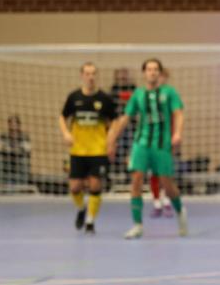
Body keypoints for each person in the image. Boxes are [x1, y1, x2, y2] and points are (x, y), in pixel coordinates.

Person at [107, 58, 187, 239]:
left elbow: (178, 113)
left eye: (155, 69)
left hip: (161, 144)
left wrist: (177, 133)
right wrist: (111, 141)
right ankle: (137, 225)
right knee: (136, 181)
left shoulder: (169, 92)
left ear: (159, 73)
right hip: (141, 144)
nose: (152, 72)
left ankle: (180, 212)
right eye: (149, 69)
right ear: (144, 73)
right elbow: (125, 119)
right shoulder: (138, 94)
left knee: (167, 184)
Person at [59, 62, 118, 234]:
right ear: (81, 75)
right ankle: (81, 209)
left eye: (93, 73)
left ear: (96, 76)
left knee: (94, 185)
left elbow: (114, 121)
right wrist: (66, 134)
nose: (90, 77)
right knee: (75, 187)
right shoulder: (74, 97)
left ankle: (91, 221)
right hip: (78, 150)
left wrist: (110, 140)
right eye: (87, 73)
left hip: (98, 150)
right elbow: (62, 117)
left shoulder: (104, 99)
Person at [148, 68, 174, 217]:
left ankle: (167, 199)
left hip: (166, 140)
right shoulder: (147, 95)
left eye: (163, 77)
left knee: (166, 172)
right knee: (154, 173)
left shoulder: (170, 95)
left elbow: (176, 116)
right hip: (151, 140)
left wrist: (175, 136)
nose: (160, 79)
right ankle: (157, 202)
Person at [109, 68, 137, 180]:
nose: (123, 77)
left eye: (125, 74)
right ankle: (118, 173)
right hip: (118, 125)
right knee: (119, 149)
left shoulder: (133, 88)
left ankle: (129, 175)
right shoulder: (113, 89)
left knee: (131, 149)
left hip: (132, 125)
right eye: (120, 75)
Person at [0, 115, 31, 184]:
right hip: (7, 160)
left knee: (25, 161)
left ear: (18, 125)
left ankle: (23, 187)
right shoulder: (4, 136)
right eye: (11, 123)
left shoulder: (24, 136)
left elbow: (27, 150)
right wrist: (15, 150)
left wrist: (10, 149)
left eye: (15, 124)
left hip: (19, 161)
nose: (13, 126)